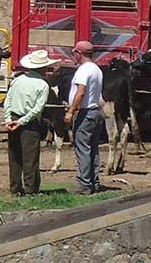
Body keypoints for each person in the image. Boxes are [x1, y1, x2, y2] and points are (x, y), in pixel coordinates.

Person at [3, 49, 58, 196]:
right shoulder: (43, 85)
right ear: (44, 68)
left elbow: (7, 101)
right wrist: (22, 122)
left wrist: (9, 119)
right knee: (30, 157)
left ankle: (15, 188)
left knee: (14, 156)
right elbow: (37, 109)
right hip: (29, 123)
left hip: (14, 118)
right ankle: (31, 189)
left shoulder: (17, 80)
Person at [64, 41, 104, 195]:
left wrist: (71, 111)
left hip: (85, 112)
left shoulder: (83, 70)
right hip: (95, 111)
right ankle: (94, 181)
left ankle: (84, 184)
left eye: (74, 53)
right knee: (93, 149)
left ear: (79, 53)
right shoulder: (97, 70)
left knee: (83, 148)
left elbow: (80, 92)